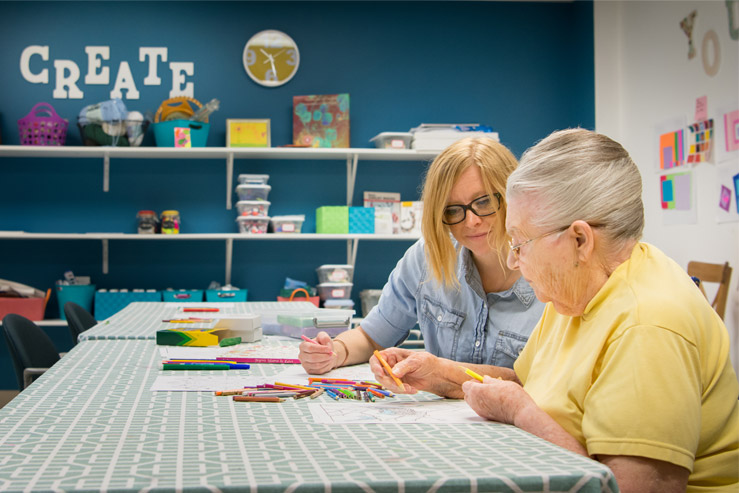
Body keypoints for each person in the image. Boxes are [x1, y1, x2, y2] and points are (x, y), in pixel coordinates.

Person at [454, 128, 737, 492]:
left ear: (580, 240)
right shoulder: (574, 288)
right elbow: (528, 384)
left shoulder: (647, 324)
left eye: (521, 241)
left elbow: (628, 488)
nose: (512, 259)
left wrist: (519, 412)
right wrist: (441, 373)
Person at [299, 137, 545, 380]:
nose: (471, 221)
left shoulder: (552, 273)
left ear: (511, 195)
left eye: (483, 202)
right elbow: (373, 336)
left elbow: (546, 385)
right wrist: (334, 351)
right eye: (452, 209)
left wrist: (444, 375)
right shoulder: (427, 257)